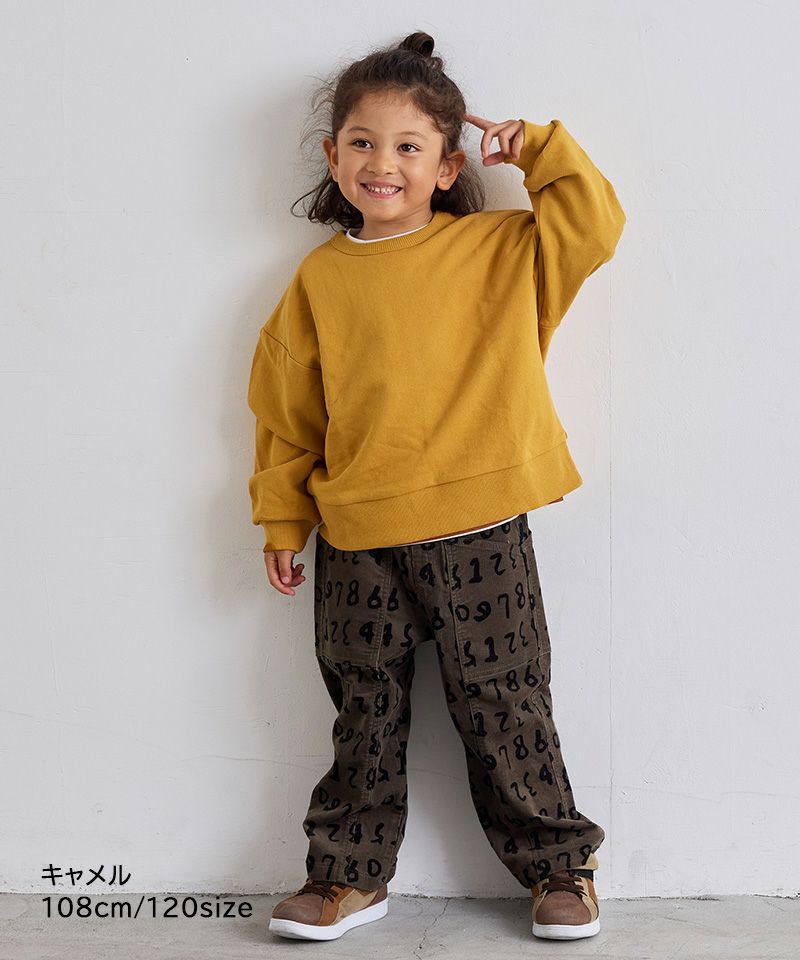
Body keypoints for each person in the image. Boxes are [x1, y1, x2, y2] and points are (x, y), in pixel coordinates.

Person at [246, 30, 625, 943]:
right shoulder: (319, 280)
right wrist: (283, 521)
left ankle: (559, 868)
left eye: (409, 146)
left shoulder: (501, 250)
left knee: (506, 703)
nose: (383, 163)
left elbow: (594, 228)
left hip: (480, 525)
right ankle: (346, 877)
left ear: (449, 165)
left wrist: (539, 149)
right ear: (333, 155)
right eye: (363, 143)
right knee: (364, 710)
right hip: (358, 537)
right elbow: (287, 415)